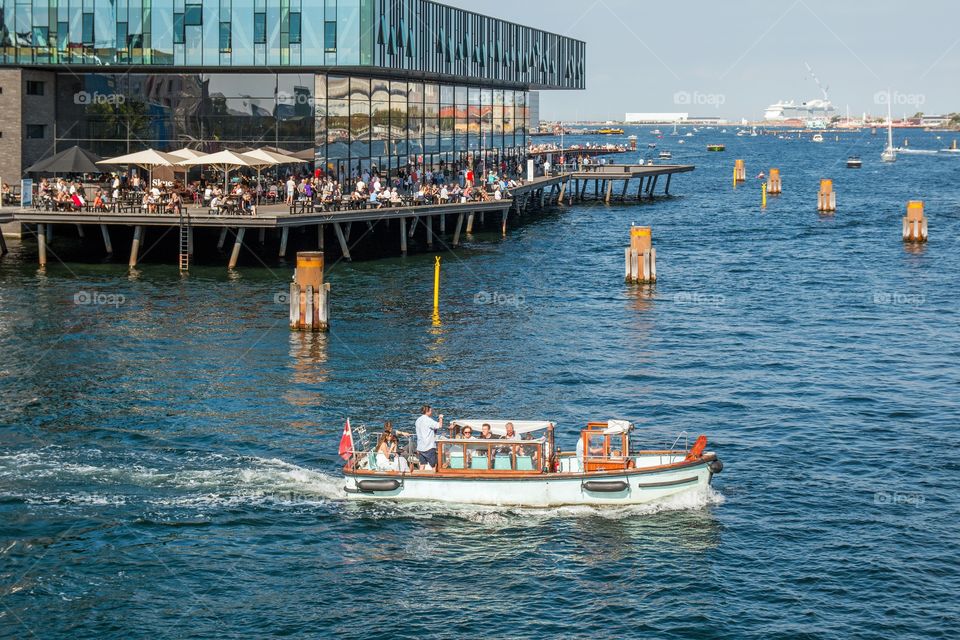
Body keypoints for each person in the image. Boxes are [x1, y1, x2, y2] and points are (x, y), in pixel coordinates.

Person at [415, 404, 443, 470]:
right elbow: (439, 425)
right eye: (430, 411)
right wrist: (441, 418)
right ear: (427, 411)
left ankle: (420, 477)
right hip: (429, 446)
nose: (431, 412)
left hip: (420, 446)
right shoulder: (428, 420)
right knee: (434, 465)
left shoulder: (418, 420)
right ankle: (434, 478)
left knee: (422, 464)